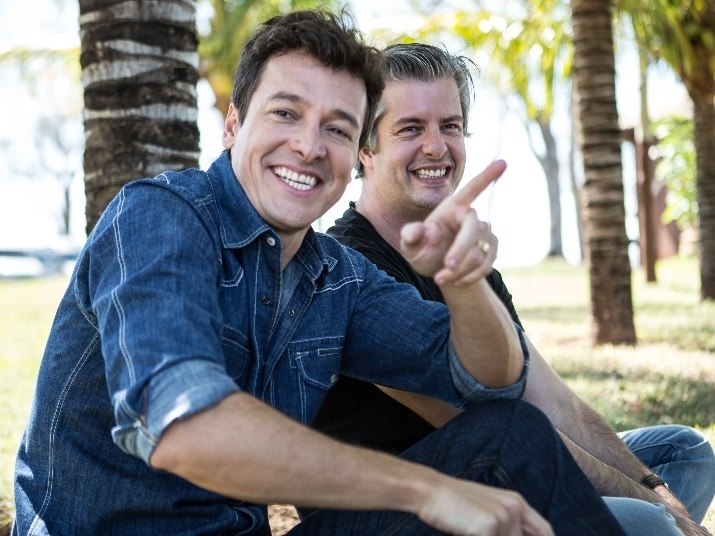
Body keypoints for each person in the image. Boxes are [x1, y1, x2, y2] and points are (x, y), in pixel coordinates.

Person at [11, 9, 627, 536]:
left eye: (336, 127)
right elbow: (185, 427)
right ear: (233, 125)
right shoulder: (161, 217)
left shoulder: (336, 276)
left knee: (507, 434)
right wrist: (425, 491)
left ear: (356, 150)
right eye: (286, 113)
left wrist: (462, 281)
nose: (310, 146)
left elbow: (488, 379)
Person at [311, 42, 715, 536]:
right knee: (649, 522)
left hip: (494, 472)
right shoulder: (350, 268)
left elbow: (555, 402)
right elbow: (500, 429)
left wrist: (655, 487)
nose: (436, 147)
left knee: (684, 453)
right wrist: (658, 509)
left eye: (450, 126)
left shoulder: (465, 262)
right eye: (411, 129)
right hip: (410, 508)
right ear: (365, 148)